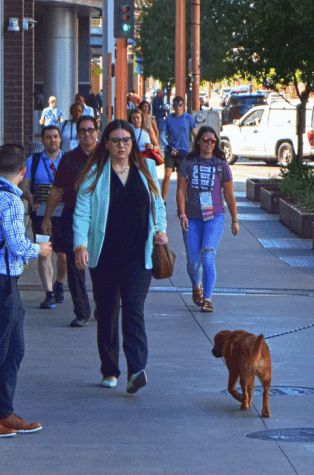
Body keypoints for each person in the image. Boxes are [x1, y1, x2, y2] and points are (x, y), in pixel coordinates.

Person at [73, 119, 168, 393]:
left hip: (139, 255)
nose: (122, 145)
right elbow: (81, 213)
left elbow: (158, 206)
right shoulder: (95, 173)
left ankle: (136, 369)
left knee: (134, 309)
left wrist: (160, 230)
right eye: (116, 141)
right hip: (105, 256)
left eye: (126, 140)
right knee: (108, 312)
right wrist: (80, 245)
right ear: (107, 143)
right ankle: (110, 369)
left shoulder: (146, 168)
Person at [0, 144, 51, 438]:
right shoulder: (11, 201)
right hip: (0, 282)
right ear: (23, 171)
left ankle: (4, 412)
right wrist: (39, 249)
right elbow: (17, 245)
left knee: (14, 349)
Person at [43, 115, 99, 328]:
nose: (87, 134)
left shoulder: (106, 156)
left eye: (90, 130)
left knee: (101, 266)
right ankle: (82, 312)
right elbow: (57, 190)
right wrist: (47, 217)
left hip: (101, 218)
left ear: (97, 131)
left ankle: (102, 307)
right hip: (74, 217)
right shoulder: (69, 159)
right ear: (77, 134)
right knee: (77, 267)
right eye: (83, 130)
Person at [175, 126, 239, 313]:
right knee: (193, 261)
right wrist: (182, 214)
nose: (209, 143)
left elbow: (229, 193)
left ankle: (208, 298)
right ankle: (196, 285)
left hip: (215, 218)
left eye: (213, 141)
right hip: (192, 218)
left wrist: (235, 219)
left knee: (208, 256)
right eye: (205, 140)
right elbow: (180, 190)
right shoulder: (188, 162)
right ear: (198, 142)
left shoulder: (221, 165)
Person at [19, 125, 66, 309]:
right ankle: (49, 293)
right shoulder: (33, 161)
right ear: (43, 140)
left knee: (63, 255)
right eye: (48, 137)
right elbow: (24, 185)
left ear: (60, 139)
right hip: (40, 215)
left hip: (63, 214)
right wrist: (30, 198)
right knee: (44, 252)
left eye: (55, 136)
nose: (52, 140)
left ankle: (59, 284)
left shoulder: (67, 160)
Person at [160, 96, 198, 201]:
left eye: (180, 105)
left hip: (183, 152)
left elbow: (196, 134)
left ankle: (182, 202)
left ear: (183, 105)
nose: (178, 108)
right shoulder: (168, 118)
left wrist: (197, 149)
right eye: (175, 105)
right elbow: (162, 136)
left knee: (181, 179)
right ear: (173, 106)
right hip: (171, 151)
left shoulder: (189, 118)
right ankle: (163, 201)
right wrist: (168, 146)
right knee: (167, 175)